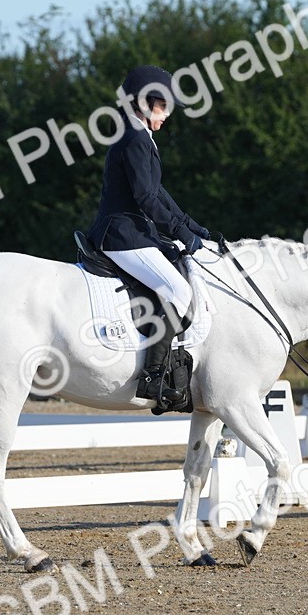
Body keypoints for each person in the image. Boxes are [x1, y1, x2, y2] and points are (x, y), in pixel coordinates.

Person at [87, 65, 211, 410]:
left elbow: (158, 191)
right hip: (123, 235)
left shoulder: (139, 135)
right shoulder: (135, 139)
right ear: (143, 103)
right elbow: (146, 199)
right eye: (163, 106)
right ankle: (154, 375)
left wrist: (191, 225)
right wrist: (182, 232)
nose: (167, 115)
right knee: (178, 291)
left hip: (135, 232)